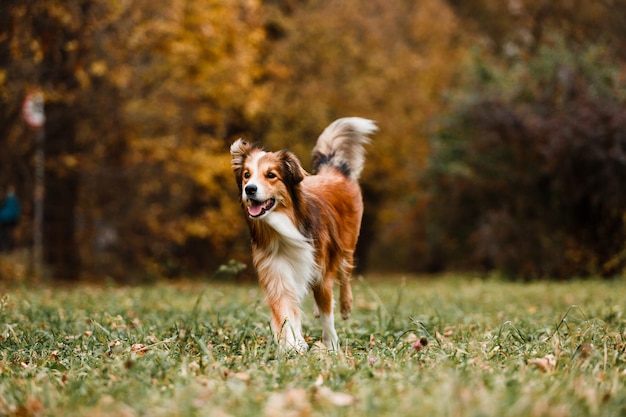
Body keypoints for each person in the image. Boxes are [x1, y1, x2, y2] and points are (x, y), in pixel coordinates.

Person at [0, 185, 21, 252]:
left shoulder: (12, 200)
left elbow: (13, 212)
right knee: (6, 235)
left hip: (8, 221)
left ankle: (6, 249)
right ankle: (6, 248)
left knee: (6, 235)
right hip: (7, 221)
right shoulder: (9, 200)